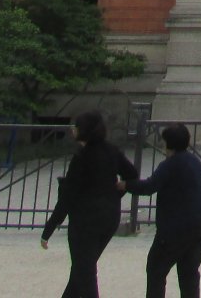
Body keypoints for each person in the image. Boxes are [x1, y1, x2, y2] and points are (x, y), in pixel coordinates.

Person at [40, 110, 137, 298]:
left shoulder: (81, 158)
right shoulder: (112, 151)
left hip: (85, 221)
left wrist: (49, 228)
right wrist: (117, 193)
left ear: (81, 131)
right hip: (109, 217)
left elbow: (67, 197)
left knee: (85, 272)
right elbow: (131, 175)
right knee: (82, 269)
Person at [117, 123, 201, 298]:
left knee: (156, 268)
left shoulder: (170, 164)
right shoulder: (194, 160)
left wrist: (126, 185)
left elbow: (150, 186)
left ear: (167, 144)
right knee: (189, 271)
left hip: (177, 227)